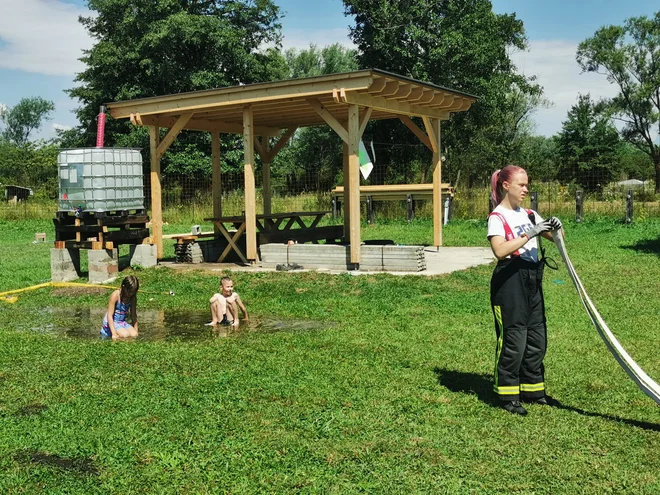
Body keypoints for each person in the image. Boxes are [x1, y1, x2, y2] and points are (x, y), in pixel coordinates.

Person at [487, 165, 563, 416]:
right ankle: (508, 395)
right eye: (521, 184)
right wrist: (530, 234)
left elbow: (557, 237)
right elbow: (499, 250)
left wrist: (555, 227)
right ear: (506, 186)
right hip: (509, 282)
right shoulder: (497, 217)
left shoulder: (530, 213)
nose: (526, 189)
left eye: (527, 184)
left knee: (537, 338)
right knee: (514, 340)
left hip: (532, 280)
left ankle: (533, 390)